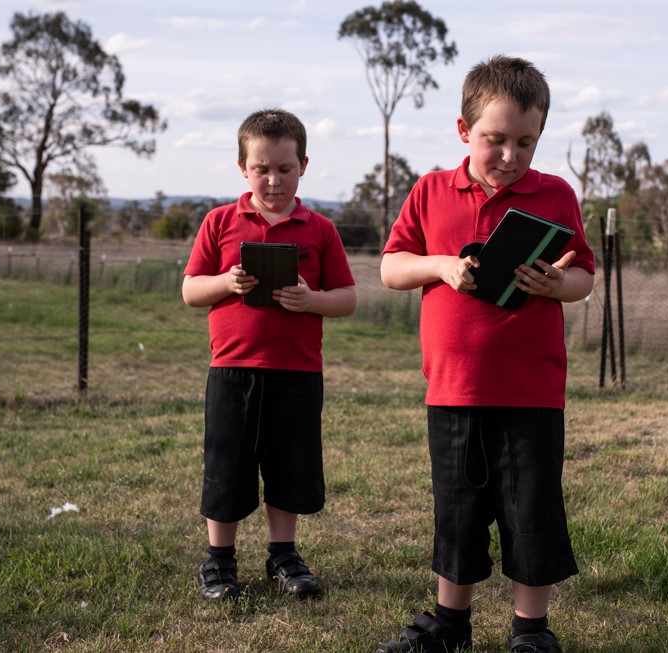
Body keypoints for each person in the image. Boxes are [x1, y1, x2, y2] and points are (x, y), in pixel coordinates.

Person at [376, 55, 595, 653]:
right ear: (463, 130)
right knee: (459, 513)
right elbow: (392, 268)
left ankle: (531, 631)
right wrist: (441, 267)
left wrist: (558, 284)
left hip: (532, 392)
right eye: (495, 139)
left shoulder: (556, 194)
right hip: (454, 390)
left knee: (531, 512)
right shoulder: (430, 191)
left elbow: (584, 274)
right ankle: (450, 625)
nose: (510, 155)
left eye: (526, 142)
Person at [182, 108, 356, 601]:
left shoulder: (320, 229)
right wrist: (226, 282)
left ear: (304, 165)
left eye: (285, 168)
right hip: (232, 370)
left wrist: (311, 300)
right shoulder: (219, 222)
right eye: (262, 169)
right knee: (227, 465)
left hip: (298, 373)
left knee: (289, 466)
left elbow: (347, 298)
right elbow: (191, 290)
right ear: (243, 167)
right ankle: (219, 560)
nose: (274, 180)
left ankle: (284, 554)